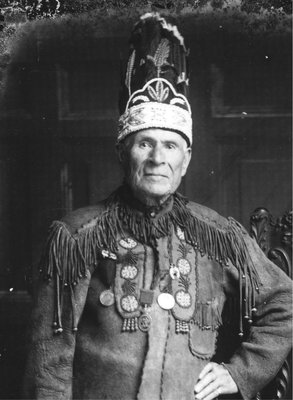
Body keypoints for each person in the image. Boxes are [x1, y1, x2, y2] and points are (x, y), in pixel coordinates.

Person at [23, 13, 292, 400]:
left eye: (170, 145)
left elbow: (284, 301)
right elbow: (50, 362)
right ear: (123, 151)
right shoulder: (75, 236)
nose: (157, 158)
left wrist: (242, 373)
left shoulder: (218, 234)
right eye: (144, 143)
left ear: (186, 160)